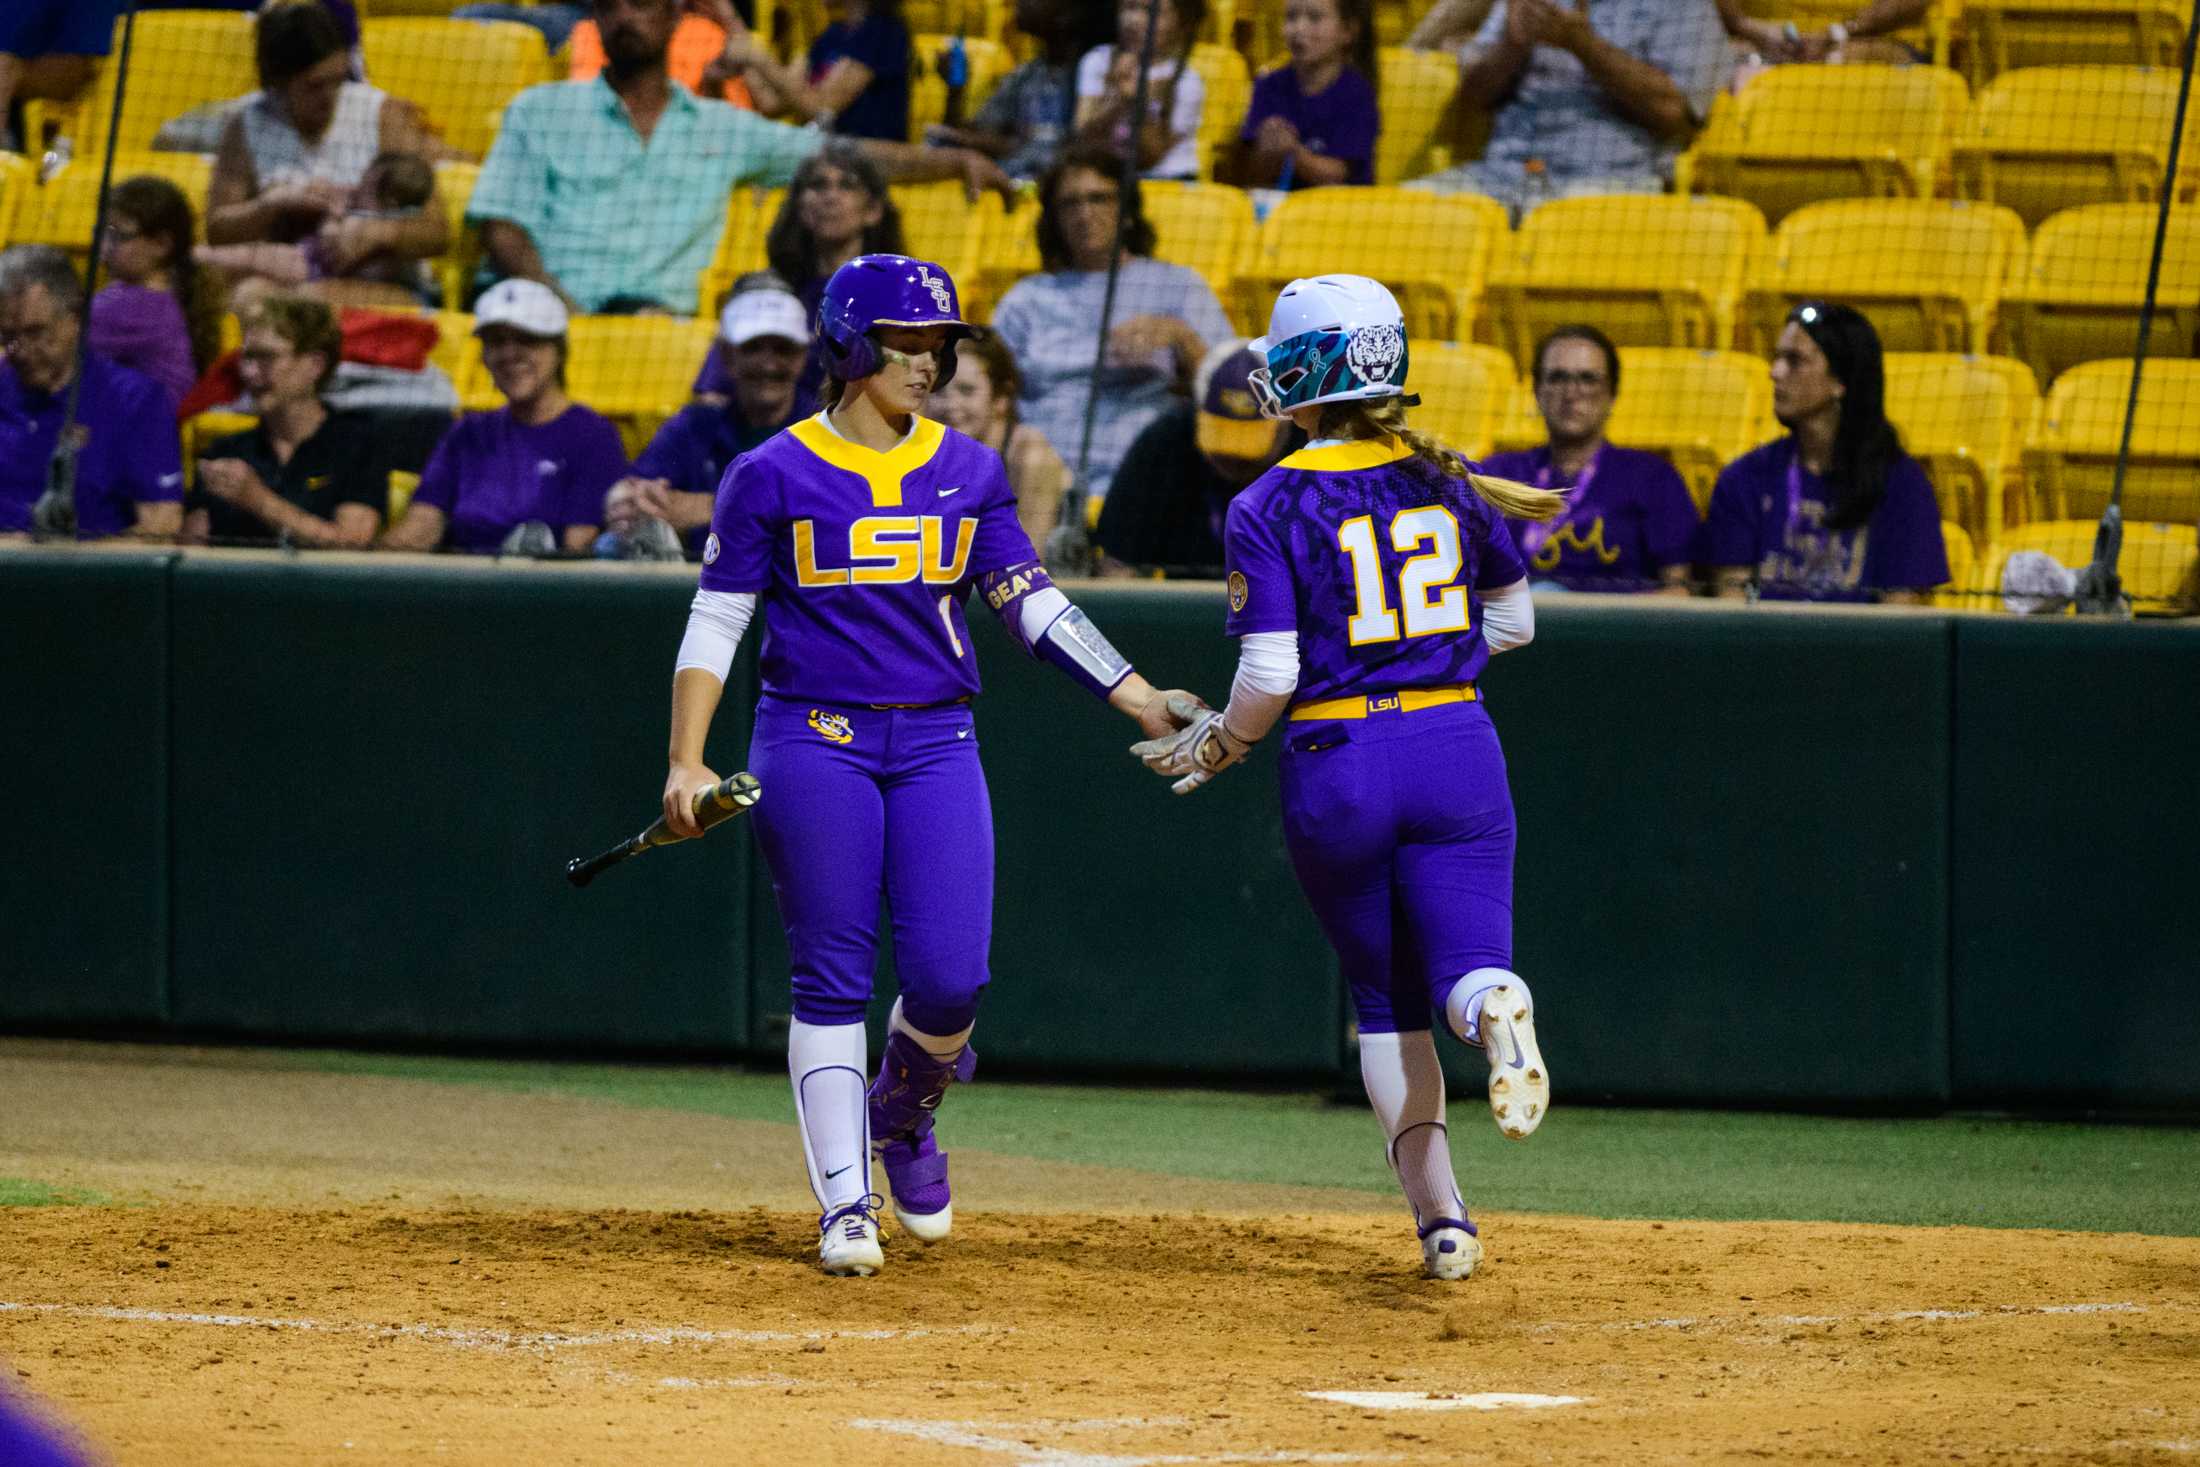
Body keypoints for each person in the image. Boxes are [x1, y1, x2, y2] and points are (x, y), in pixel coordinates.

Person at [659, 253, 1201, 1276]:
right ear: (852, 347)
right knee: (830, 978)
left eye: (940, 343)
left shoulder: (970, 468)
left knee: (953, 979)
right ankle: (843, 1206)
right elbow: (718, 617)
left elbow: (1029, 601)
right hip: (813, 736)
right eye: (909, 342)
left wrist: (1136, 692)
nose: (931, 361)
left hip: (936, 741)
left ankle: (902, 1118)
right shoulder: (768, 472)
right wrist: (685, 759)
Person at [1128, 273, 1563, 1281]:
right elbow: (1514, 622)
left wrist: (1223, 744)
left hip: (1340, 759)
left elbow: (1271, 673)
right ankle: (1497, 1010)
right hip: (1456, 742)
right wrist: (1424, 669)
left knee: (1384, 1000)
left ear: (1299, 374)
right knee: (1466, 969)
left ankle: (1444, 1224)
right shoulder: (1447, 477)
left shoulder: (1266, 500)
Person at [467, 0, 1009, 317]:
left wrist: (952, 161)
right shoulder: (540, 110)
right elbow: (502, 226)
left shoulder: (721, 129)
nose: (626, 16)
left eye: (644, 2)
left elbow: (843, 153)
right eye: (611, 3)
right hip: (547, 318)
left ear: (677, 15)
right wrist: (561, 308)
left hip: (663, 329)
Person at [989, 144, 1234, 502]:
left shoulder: (1177, 286)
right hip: (1040, 468)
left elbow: (1232, 389)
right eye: (1070, 204)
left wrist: (1181, 337)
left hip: (1141, 465)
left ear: (1128, 211)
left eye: (1098, 199)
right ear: (1054, 219)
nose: (1084, 214)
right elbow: (988, 385)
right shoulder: (1027, 298)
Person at [1699, 302, 1948, 603]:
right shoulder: (1744, 478)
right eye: (1777, 357)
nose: (1774, 372)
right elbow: (1731, 605)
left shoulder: (1902, 485)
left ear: (1840, 381)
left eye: (1794, 360)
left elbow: (1903, 618)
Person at [205, 2, 448, 302]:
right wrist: (271, 206)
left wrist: (378, 232)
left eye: (336, 81)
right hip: (290, 272)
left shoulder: (383, 115)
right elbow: (217, 231)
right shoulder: (247, 125)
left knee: (299, 301)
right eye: (314, 86)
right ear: (280, 82)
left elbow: (438, 231)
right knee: (245, 294)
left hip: (386, 286)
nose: (329, 98)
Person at [1408, 0, 1730, 218]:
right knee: (1398, 218)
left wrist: (1583, 44)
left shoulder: (1682, 6)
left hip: (1612, 185)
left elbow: (1676, 113)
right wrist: (1511, 44)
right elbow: (1473, 96)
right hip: (1502, 175)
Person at [381, 280, 624, 554]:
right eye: (496, 342)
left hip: (545, 589)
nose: (509, 354)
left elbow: (577, 545)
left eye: (527, 339)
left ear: (558, 350)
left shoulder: (593, 436)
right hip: (464, 587)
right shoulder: (468, 432)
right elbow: (423, 523)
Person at [1479, 325, 1698, 594]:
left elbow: (1679, 590)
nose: (1571, 393)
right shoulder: (1497, 474)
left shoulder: (1654, 479)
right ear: (1536, 390)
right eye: (1557, 378)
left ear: (1612, 393)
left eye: (1588, 379)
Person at [606, 280, 813, 557]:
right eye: (753, 348)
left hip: (800, 586)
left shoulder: (830, 426)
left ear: (803, 356)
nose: (768, 364)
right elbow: (632, 486)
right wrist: (630, 501)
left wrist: (712, 508)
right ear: (727, 355)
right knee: (611, 544)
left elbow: (837, 509)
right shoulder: (697, 425)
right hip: (698, 589)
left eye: (783, 349)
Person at [691, 141, 903, 403]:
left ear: (873, 210)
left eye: (846, 185)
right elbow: (714, 395)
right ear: (801, 205)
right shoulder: (762, 291)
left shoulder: (896, 300)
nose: (830, 196)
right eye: (818, 185)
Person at [0, 245, 183, 542]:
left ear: (75, 318)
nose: (21, 351)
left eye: (36, 332)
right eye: (8, 335)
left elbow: (162, 524)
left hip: (88, 582)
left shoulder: (135, 401)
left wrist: (64, 561)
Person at [185, 293, 387, 547]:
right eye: (247, 357)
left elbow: (351, 546)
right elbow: (193, 558)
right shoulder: (224, 454)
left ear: (315, 365)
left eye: (266, 357)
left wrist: (259, 501)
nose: (249, 372)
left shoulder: (357, 443)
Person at [1094, 339, 1288, 576]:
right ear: (1199, 411)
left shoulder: (1311, 456)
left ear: (1285, 422)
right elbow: (1117, 564)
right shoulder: (1163, 444)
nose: (1234, 460)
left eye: (1247, 442)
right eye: (1223, 441)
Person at [198, 150, 437, 310]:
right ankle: (200, 259)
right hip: (321, 271)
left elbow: (330, 240)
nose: (358, 186)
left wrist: (332, 217)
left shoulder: (367, 221)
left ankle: (200, 256)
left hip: (310, 264)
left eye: (366, 182)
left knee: (252, 260)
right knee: (247, 270)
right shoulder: (392, 214)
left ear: (384, 193)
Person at [924, 0, 1115, 180]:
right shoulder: (1025, 75)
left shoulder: (1099, 74)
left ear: (1067, 15)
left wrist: (987, 143)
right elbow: (974, 133)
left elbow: (1059, 149)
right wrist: (955, 91)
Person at [90, 175, 225, 407]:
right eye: (101, 232)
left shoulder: (139, 308)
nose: (103, 246)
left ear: (161, 244)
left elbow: (57, 345)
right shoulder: (162, 296)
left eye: (118, 236)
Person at [926, 332, 1068, 551]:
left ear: (1002, 397)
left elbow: (1029, 559)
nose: (950, 404)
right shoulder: (924, 447)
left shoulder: (1031, 454)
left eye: (967, 391)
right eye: (939, 390)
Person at [1232, 0, 1380, 190]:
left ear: (1347, 31)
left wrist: (1293, 152)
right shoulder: (1268, 85)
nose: (1299, 29)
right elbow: (1253, 176)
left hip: (1340, 207)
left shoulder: (1357, 93)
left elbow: (1336, 175)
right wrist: (1268, 151)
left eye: (1314, 18)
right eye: (1291, 17)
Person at [723, 0, 910, 141]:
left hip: (865, 168)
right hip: (824, 161)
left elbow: (821, 110)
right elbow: (770, 104)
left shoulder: (885, 33)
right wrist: (732, 24)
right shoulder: (831, 36)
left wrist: (758, 59)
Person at [1073, 0, 1207, 180]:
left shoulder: (1187, 81)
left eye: (1151, 11)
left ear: (1181, 22)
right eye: (1129, 7)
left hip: (1168, 180)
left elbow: (1150, 156)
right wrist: (1118, 100)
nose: (1134, 20)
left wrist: (1136, 101)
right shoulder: (1098, 61)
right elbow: (1082, 135)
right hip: (1108, 178)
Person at [0, 0, 122, 154]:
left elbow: (82, 68)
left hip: (61, 78)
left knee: (3, 66)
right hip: (15, 104)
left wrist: (16, 70)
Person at [1717, 0, 1932, 66]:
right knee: (1721, 61)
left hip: (1874, 41)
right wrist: (1746, 27)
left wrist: (1837, 33)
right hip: (1760, 41)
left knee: (1848, 56)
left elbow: (1913, 4)